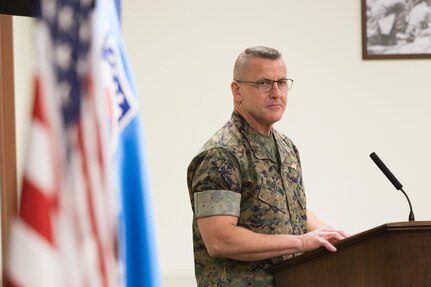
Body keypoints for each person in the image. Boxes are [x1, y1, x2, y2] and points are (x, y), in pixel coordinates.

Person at [187, 46, 348, 287]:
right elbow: (220, 240)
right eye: (264, 83)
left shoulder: (286, 146)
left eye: (281, 82)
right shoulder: (221, 154)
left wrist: (340, 240)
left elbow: (295, 213)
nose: (276, 92)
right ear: (237, 90)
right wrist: (301, 242)